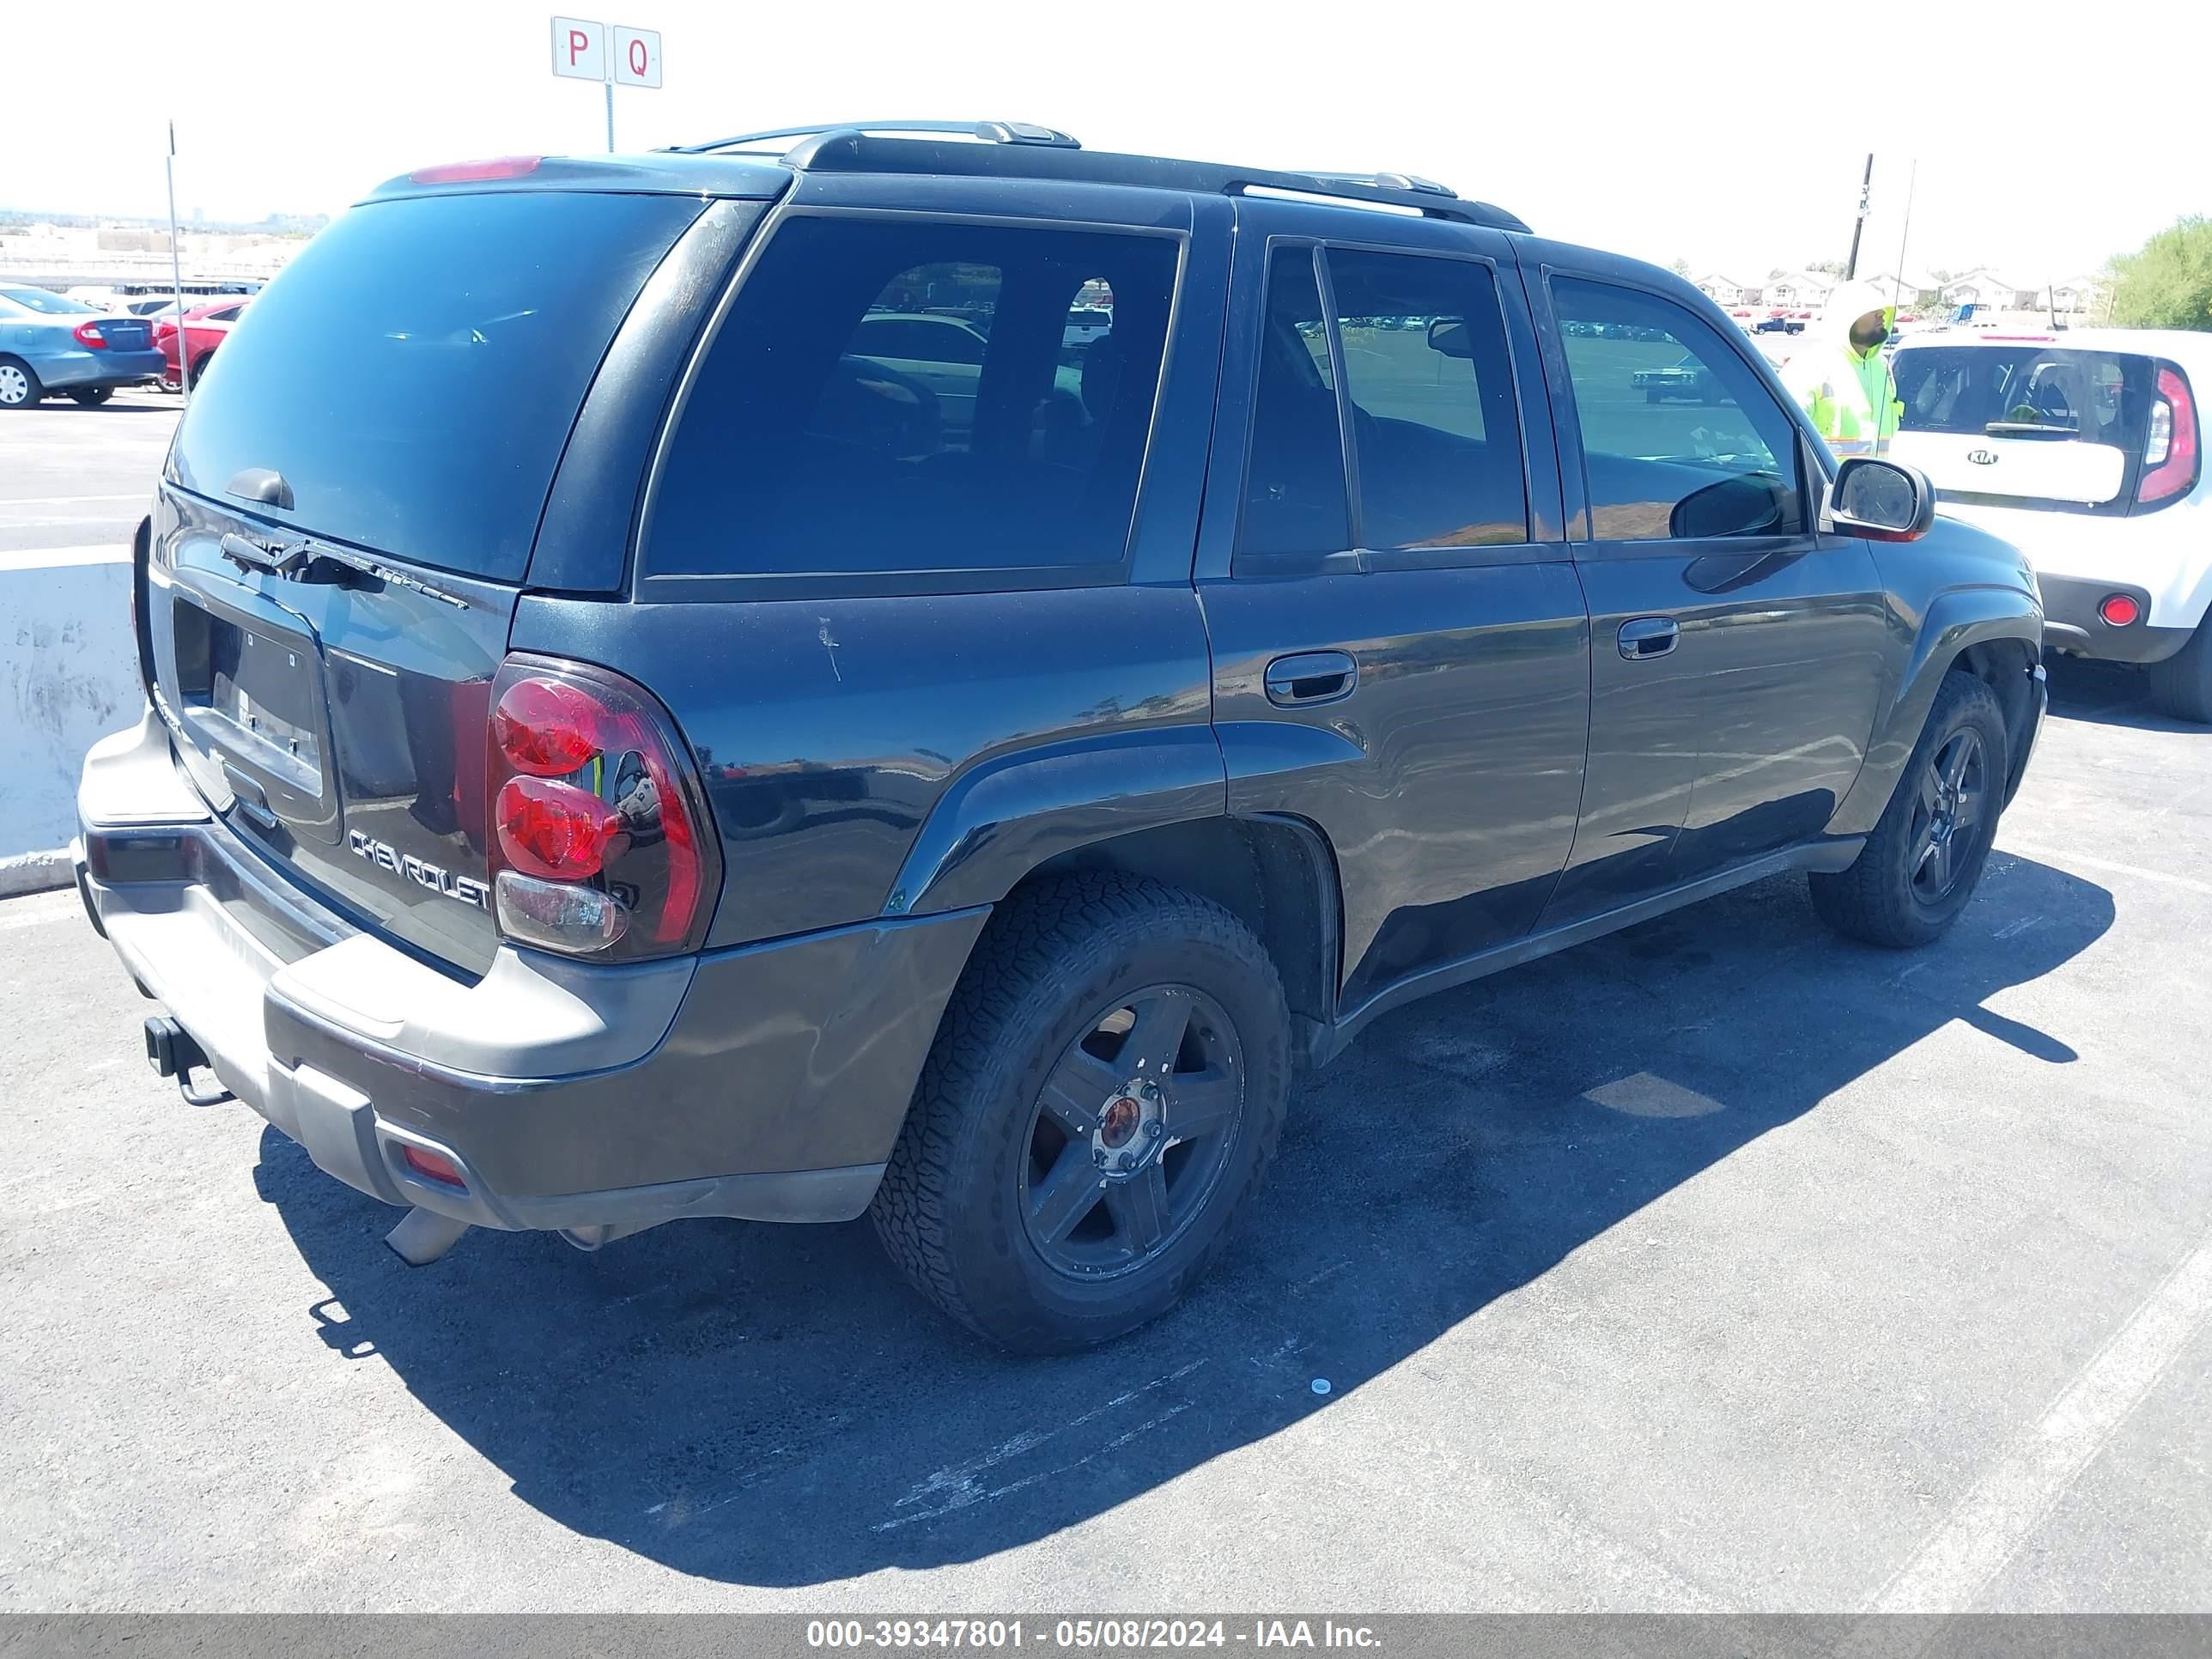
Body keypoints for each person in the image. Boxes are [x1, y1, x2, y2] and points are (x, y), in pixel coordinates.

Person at [1782, 278, 1905, 458]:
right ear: (1846, 317)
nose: (1882, 315)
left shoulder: (1881, 366)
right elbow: (1783, 436)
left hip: (1876, 483)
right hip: (1827, 485)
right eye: (1872, 310)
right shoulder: (1809, 366)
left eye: (1883, 309)